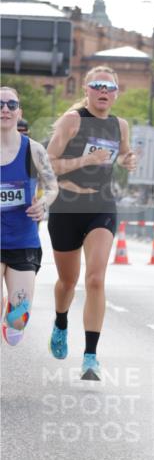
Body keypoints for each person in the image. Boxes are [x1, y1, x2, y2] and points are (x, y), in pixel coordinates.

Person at [46, 66, 137, 380]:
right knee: (68, 282)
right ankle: (60, 322)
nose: (104, 91)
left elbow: (123, 156)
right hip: (67, 207)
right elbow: (48, 165)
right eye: (98, 85)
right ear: (86, 89)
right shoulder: (72, 121)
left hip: (101, 204)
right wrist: (85, 159)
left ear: (115, 93)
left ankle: (90, 357)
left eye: (110, 87)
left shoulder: (119, 125)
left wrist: (128, 160)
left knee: (96, 279)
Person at [0, 87, 58, 345]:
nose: (5, 109)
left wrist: (43, 203)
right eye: (0, 104)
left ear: (19, 111)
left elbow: (53, 186)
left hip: (23, 242)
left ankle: (9, 313)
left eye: (11, 105)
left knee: (16, 327)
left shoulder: (34, 150)